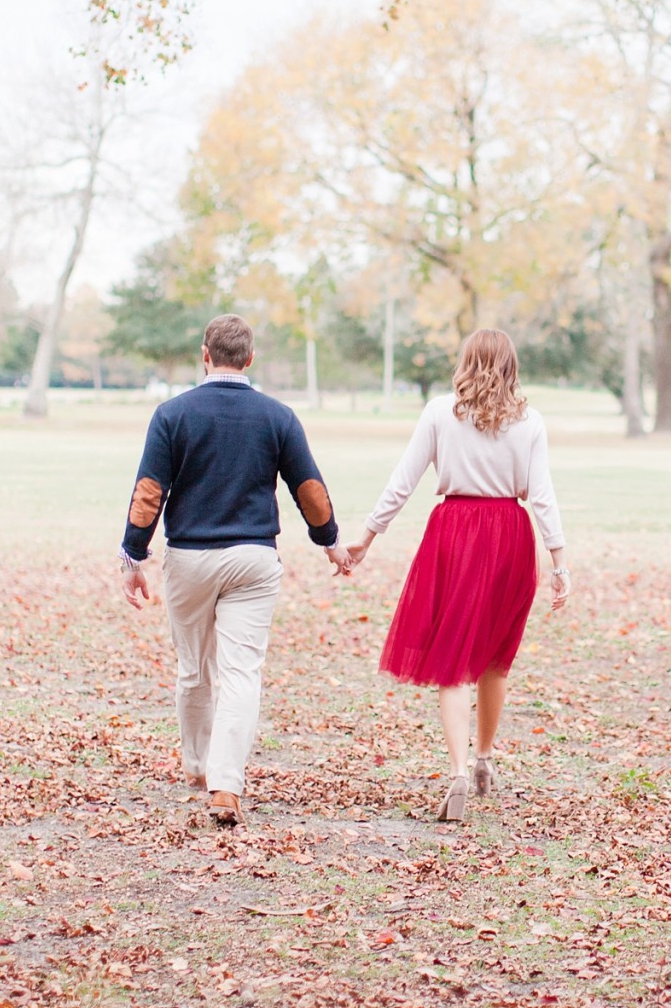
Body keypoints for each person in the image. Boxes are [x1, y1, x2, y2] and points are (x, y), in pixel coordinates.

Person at [118, 314, 351, 825]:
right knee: (241, 672)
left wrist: (133, 556)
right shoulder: (277, 416)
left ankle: (199, 765)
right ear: (249, 359)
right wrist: (330, 543)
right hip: (253, 559)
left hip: (190, 560)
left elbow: (149, 490)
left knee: (193, 669)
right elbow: (308, 489)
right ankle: (227, 782)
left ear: (205, 354)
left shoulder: (172, 414)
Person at [344, 329, 569, 821]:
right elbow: (544, 494)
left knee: (453, 658)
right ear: (511, 365)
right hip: (510, 533)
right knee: (493, 657)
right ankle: (485, 758)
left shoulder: (440, 412)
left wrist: (368, 536)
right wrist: (559, 560)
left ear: (466, 362)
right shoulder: (529, 421)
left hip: (455, 532)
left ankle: (460, 772)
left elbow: (403, 480)